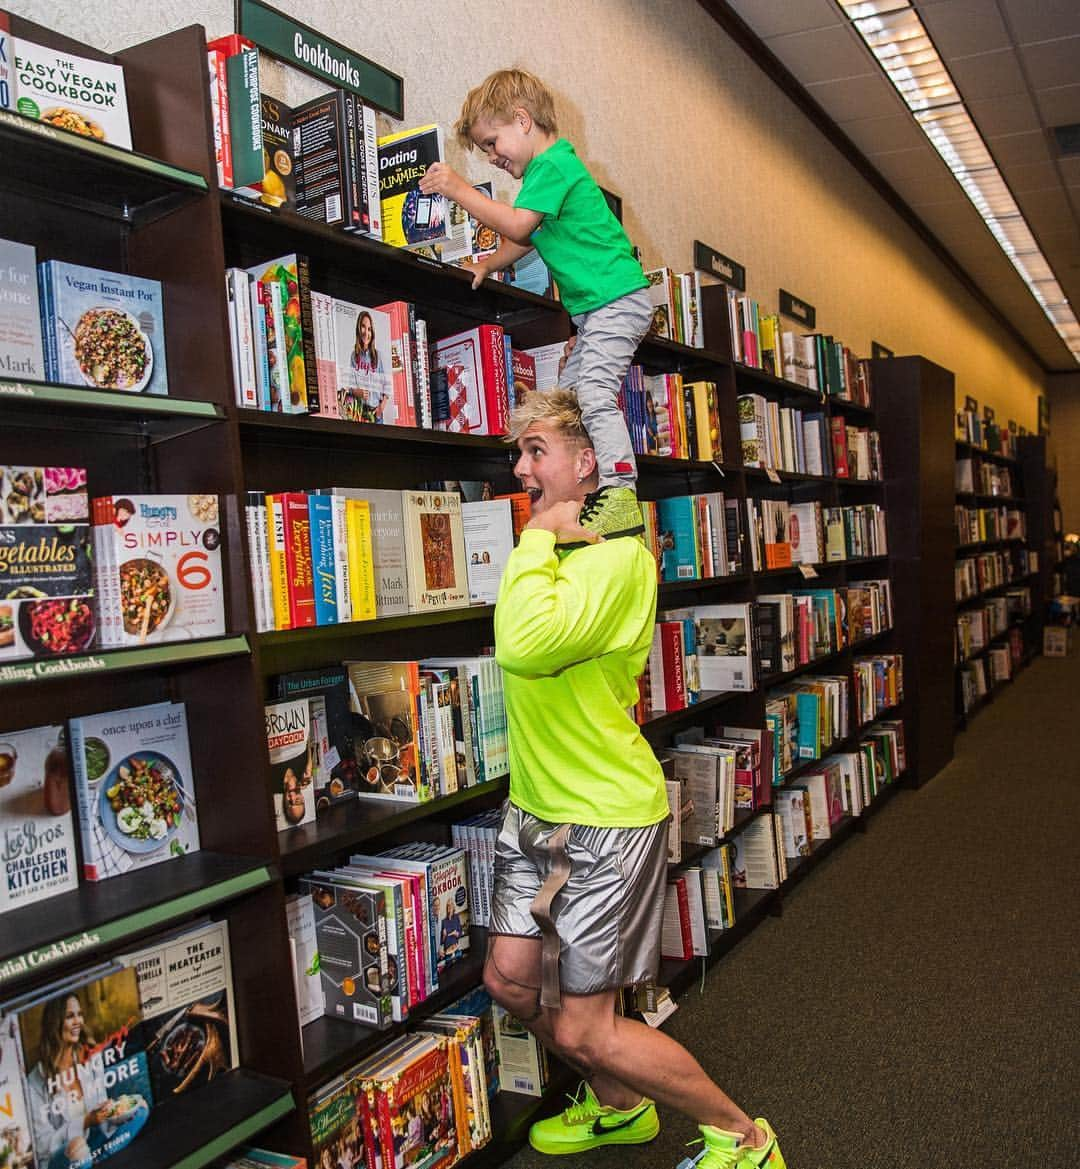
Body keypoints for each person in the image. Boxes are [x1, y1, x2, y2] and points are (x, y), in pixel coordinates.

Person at [487, 389, 785, 1169]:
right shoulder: (554, 550)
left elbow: (521, 644)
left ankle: (747, 1139)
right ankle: (620, 1106)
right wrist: (543, 538)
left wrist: (534, 538)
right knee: (511, 981)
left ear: (585, 465)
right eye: (517, 451)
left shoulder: (619, 560)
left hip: (606, 819)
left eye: (536, 450)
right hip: (534, 810)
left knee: (588, 1024)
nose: (521, 467)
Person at [419, 69, 652, 543]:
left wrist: (459, 189)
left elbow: (520, 227)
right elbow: (525, 241)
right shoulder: (545, 179)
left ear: (522, 120)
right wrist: (487, 263)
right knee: (564, 399)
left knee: (593, 393)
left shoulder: (553, 166)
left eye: (491, 142)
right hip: (597, 313)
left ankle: (621, 490)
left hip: (618, 301)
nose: (492, 156)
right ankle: (578, 486)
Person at [26, 992, 148, 1169]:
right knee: (79, 1150)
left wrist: (112, 1110)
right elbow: (43, 1146)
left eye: (79, 1014)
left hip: (96, 1140)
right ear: (54, 1024)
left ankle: (97, 1160)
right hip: (63, 1157)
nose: (78, 1022)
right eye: (70, 1016)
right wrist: (85, 1121)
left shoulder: (90, 1058)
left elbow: (101, 1112)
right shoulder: (34, 1082)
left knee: (141, 1109)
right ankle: (89, 1160)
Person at [351, 310, 383, 374]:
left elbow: (383, 382)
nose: (366, 333)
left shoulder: (377, 355)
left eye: (369, 329)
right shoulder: (353, 355)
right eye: (363, 326)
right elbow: (351, 381)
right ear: (358, 328)